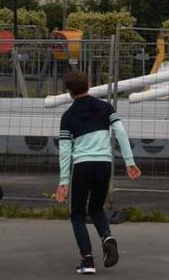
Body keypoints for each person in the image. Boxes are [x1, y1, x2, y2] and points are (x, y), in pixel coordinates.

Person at [55, 71, 141, 275]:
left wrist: (63, 181)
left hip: (83, 165)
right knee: (96, 207)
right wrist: (129, 162)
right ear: (90, 85)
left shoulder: (67, 116)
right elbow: (120, 132)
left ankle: (87, 260)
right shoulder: (105, 107)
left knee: (77, 213)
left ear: (69, 93)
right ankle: (106, 237)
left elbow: (65, 151)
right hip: (104, 164)